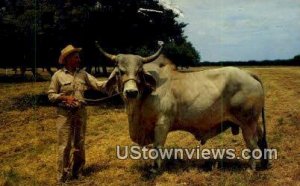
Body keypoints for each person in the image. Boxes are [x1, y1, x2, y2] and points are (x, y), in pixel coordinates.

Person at [48, 44, 105, 183]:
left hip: (80, 113)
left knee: (79, 143)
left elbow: (98, 85)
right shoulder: (58, 76)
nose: (79, 60)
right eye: (76, 57)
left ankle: (78, 173)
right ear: (67, 59)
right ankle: (62, 177)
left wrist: (116, 79)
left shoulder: (83, 74)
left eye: (78, 57)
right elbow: (50, 95)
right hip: (64, 115)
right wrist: (64, 97)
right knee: (65, 145)